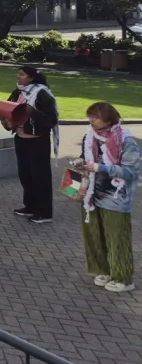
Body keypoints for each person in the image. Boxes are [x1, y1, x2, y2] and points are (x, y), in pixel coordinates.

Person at [72, 102, 138, 293]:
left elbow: (131, 171)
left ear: (108, 119)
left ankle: (123, 278)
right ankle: (103, 270)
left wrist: (100, 168)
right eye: (90, 116)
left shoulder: (126, 141)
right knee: (94, 235)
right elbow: (86, 157)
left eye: (95, 117)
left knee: (117, 238)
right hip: (92, 194)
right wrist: (80, 162)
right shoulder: (89, 136)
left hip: (115, 197)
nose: (91, 120)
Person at [6, 66, 59, 224]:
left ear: (31, 78)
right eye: (18, 74)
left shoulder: (42, 93)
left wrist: (32, 112)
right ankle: (30, 206)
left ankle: (44, 212)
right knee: (25, 174)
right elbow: (10, 107)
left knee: (40, 176)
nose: (18, 76)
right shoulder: (18, 91)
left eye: (22, 74)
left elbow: (52, 119)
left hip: (37, 140)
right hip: (21, 138)